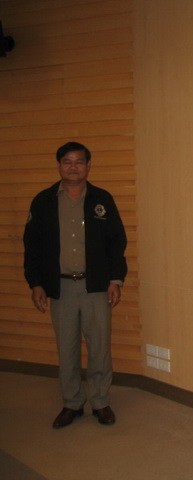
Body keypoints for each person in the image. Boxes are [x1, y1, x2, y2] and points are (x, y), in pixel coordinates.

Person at [23, 141, 127, 429]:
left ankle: (100, 401)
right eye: (67, 162)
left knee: (99, 348)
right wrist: (36, 283)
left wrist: (115, 280)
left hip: (96, 287)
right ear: (59, 166)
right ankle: (72, 403)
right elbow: (31, 245)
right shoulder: (43, 201)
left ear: (88, 166)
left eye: (79, 162)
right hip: (61, 288)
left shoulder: (101, 199)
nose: (73, 167)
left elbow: (117, 242)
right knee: (66, 350)